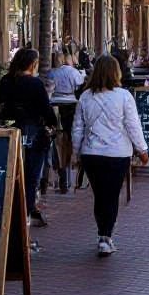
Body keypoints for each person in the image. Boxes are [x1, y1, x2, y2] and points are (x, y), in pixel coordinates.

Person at [71, 54, 149, 256]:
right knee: (112, 196)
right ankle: (106, 236)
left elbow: (77, 127)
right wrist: (142, 149)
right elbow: (133, 125)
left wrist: (76, 152)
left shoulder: (85, 97)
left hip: (91, 153)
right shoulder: (124, 96)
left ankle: (102, 233)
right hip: (117, 153)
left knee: (100, 195)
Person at [0, 48, 57, 235]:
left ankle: (10, 213)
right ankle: (25, 216)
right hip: (33, 135)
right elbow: (46, 110)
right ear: (32, 64)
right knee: (30, 177)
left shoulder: (6, 81)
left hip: (9, 133)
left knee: (9, 175)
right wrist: (52, 124)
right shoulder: (35, 84)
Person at [50, 49, 85, 193]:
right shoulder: (73, 72)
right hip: (70, 104)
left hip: (55, 104)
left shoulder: (53, 72)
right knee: (69, 137)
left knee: (58, 141)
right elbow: (80, 84)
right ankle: (69, 172)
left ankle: (62, 174)